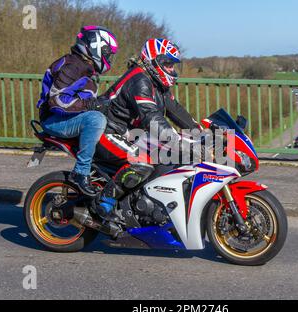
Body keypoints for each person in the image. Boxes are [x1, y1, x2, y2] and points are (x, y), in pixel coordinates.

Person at [97, 38, 202, 218]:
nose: (171, 69)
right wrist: (178, 141)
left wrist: (203, 132)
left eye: (173, 64)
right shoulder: (140, 81)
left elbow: (176, 111)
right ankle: (105, 203)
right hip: (108, 130)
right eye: (167, 64)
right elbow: (152, 118)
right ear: (152, 61)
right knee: (142, 162)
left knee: (171, 156)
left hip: (129, 133)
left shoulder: (157, 84)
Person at [36, 26, 118, 197]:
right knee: (96, 120)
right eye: (107, 53)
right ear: (95, 47)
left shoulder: (85, 68)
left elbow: (85, 100)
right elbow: (57, 101)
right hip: (54, 119)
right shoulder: (72, 66)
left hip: (68, 117)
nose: (109, 58)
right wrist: (91, 105)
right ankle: (80, 173)